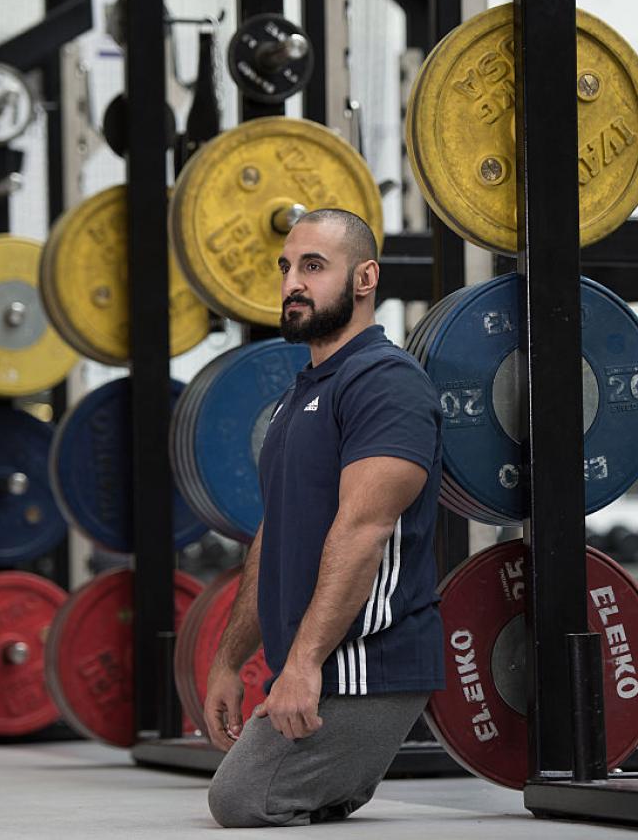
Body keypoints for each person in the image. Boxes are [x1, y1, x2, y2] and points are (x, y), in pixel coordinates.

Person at [203, 209, 446, 828]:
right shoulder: (302, 393)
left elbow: (365, 531)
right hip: (315, 662)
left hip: (369, 663)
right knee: (242, 794)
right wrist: (232, 660)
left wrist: (303, 665)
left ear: (365, 278)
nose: (292, 282)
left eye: (314, 266)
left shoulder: (387, 382)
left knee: (241, 799)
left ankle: (344, 777)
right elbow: (275, 536)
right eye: (286, 267)